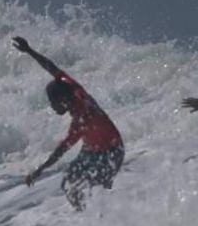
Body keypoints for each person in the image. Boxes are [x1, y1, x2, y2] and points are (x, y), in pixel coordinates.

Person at [12, 36, 124, 209]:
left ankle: (106, 219)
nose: (52, 107)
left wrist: (40, 170)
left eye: (53, 103)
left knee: (97, 189)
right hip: (91, 150)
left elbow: (62, 149)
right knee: (69, 183)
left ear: (63, 100)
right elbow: (52, 68)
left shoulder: (83, 117)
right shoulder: (72, 88)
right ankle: (84, 216)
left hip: (111, 152)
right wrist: (29, 51)